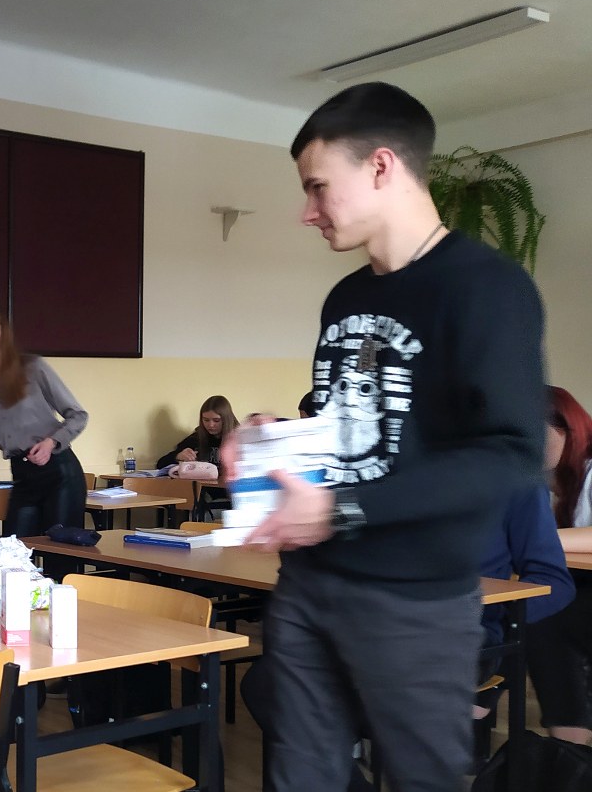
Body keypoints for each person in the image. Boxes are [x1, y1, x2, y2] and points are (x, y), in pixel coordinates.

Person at [230, 82, 545, 790]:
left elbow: (511, 454)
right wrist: (271, 438)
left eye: (317, 187)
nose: (307, 211)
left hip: (415, 601)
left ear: (380, 166)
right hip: (310, 584)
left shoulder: (487, 288)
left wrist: (339, 508)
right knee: (298, 777)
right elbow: (355, 432)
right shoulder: (346, 297)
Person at [240, 482, 574, 790]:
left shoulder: (511, 478)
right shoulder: (381, 464)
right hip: (365, 624)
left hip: (460, 635)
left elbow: (554, 581)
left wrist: (490, 612)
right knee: (269, 683)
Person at [0, 303, 89, 537]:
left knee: (59, 550)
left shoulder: (32, 367)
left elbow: (78, 415)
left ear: (3, 333)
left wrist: (51, 443)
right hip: (21, 472)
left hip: (58, 470)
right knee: (15, 548)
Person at [527, 385, 592, 745]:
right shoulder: (544, 486)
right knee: (535, 611)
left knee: (546, 616)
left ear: (567, 428)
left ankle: (568, 748)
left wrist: (538, 540)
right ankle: (568, 751)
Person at [156, 395, 237, 469]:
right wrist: (178, 456)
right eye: (206, 420)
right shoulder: (196, 438)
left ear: (226, 419)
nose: (211, 425)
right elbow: (160, 464)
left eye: (216, 420)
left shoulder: (239, 438)